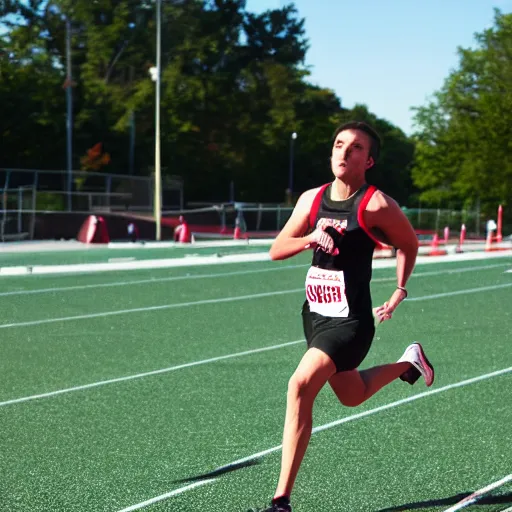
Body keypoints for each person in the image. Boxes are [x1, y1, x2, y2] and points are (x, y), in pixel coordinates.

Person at [250, 121, 434, 512]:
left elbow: (409, 244)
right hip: (315, 314)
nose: (343, 152)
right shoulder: (311, 200)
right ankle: (407, 364)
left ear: (368, 161)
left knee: (299, 385)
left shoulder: (376, 204)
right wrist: (309, 238)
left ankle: (280, 501)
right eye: (338, 144)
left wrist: (399, 289)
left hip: (351, 321)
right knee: (352, 395)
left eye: (354, 148)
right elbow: (276, 249)